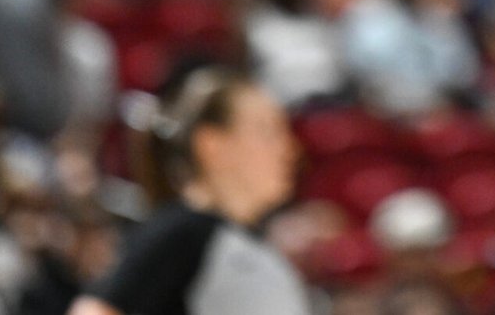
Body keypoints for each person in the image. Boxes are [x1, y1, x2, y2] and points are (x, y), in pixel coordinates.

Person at [66, 68, 311, 315]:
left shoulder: (245, 240)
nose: (289, 149)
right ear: (211, 144)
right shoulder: (183, 232)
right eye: (268, 131)